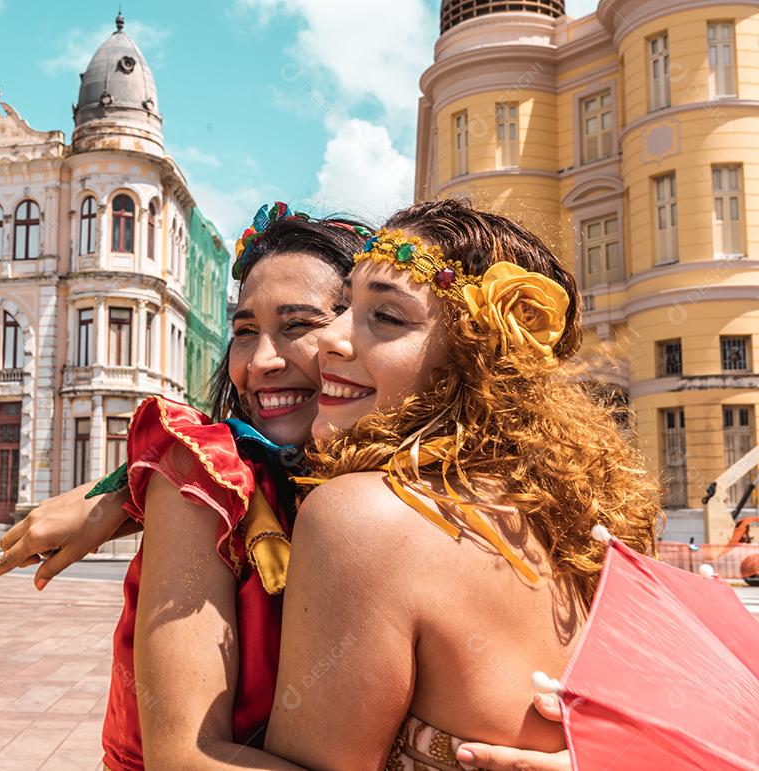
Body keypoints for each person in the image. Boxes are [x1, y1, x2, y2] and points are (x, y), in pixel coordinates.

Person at [0, 202, 572, 770]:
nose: (262, 360)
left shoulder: (530, 508)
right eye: (243, 330)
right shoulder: (211, 482)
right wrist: (126, 489)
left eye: (301, 325)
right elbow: (181, 755)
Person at [260, 199, 661, 768]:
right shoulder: (579, 526)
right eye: (346, 305)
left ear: (475, 360)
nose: (331, 338)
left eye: (387, 317)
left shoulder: (361, 515)